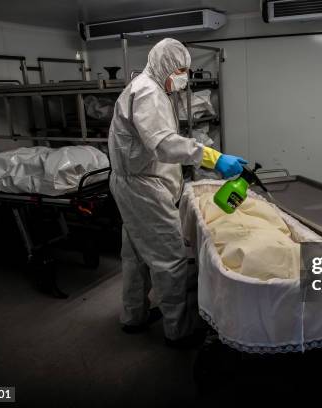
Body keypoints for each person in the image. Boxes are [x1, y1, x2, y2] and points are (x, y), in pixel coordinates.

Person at [108, 38, 247, 346]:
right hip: (143, 186)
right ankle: (178, 330)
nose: (184, 76)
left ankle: (134, 316)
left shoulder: (149, 87)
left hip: (132, 182)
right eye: (181, 69)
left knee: (135, 254)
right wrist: (214, 158)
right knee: (169, 258)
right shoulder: (148, 92)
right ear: (165, 65)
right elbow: (163, 144)